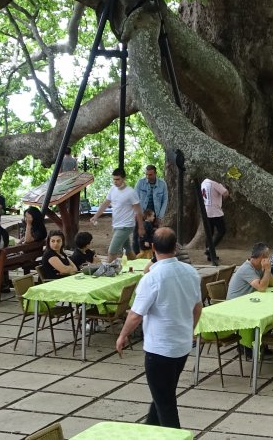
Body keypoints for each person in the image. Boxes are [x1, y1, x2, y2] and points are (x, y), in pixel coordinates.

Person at [116, 228, 201, 430]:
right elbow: (198, 307)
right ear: (175, 247)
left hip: (160, 349)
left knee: (165, 403)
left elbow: (136, 314)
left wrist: (122, 335)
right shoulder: (190, 272)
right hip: (181, 345)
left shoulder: (152, 278)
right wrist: (190, 329)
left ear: (153, 248)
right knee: (163, 394)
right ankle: (148, 431)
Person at [226, 243, 273, 357]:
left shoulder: (258, 267)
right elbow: (262, 287)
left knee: (271, 313)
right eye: (267, 256)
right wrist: (267, 271)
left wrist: (268, 270)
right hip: (235, 306)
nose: (269, 259)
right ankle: (246, 346)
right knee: (263, 314)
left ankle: (261, 343)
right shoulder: (247, 268)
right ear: (262, 257)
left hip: (248, 303)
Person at [91, 168, 145, 261]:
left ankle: (109, 272)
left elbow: (138, 211)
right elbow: (105, 203)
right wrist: (95, 216)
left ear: (124, 178)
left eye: (118, 179)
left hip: (126, 226)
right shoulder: (112, 189)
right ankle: (137, 268)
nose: (115, 182)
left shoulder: (131, 192)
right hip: (116, 225)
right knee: (128, 250)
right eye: (114, 179)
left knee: (111, 251)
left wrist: (140, 227)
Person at [134, 165, 168, 255]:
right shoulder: (140, 182)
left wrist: (160, 216)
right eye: (146, 174)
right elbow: (134, 198)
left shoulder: (162, 184)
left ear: (155, 174)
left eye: (150, 174)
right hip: (141, 213)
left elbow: (165, 200)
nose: (148, 177)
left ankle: (153, 257)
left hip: (154, 215)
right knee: (137, 236)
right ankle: (136, 257)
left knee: (153, 237)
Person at [200, 178, 228, 261]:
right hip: (216, 212)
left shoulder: (204, 182)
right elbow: (225, 193)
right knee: (222, 231)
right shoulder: (215, 183)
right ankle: (209, 249)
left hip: (206, 211)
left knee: (209, 233)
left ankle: (210, 255)